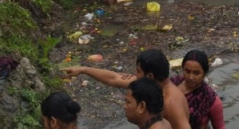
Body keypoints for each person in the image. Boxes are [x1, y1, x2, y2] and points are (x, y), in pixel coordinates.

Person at [62, 49, 191, 129]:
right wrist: (83, 70)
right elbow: (114, 78)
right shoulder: (146, 87)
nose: (135, 75)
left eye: (138, 71)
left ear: (150, 76)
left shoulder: (171, 102)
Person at [171, 50, 225, 129]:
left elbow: (220, 127)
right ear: (182, 69)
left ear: (204, 73)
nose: (190, 77)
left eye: (196, 73)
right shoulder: (172, 84)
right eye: (187, 71)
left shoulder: (211, 100)